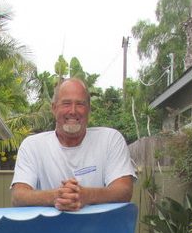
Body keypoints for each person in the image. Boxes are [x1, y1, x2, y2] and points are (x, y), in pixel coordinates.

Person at [10, 77, 136, 211]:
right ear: (54, 108)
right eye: (66, 103)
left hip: (98, 229)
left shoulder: (110, 139)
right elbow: (18, 196)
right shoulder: (32, 145)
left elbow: (124, 190)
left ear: (89, 109)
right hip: (48, 230)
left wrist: (86, 195)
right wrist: (56, 196)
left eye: (80, 104)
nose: (73, 111)